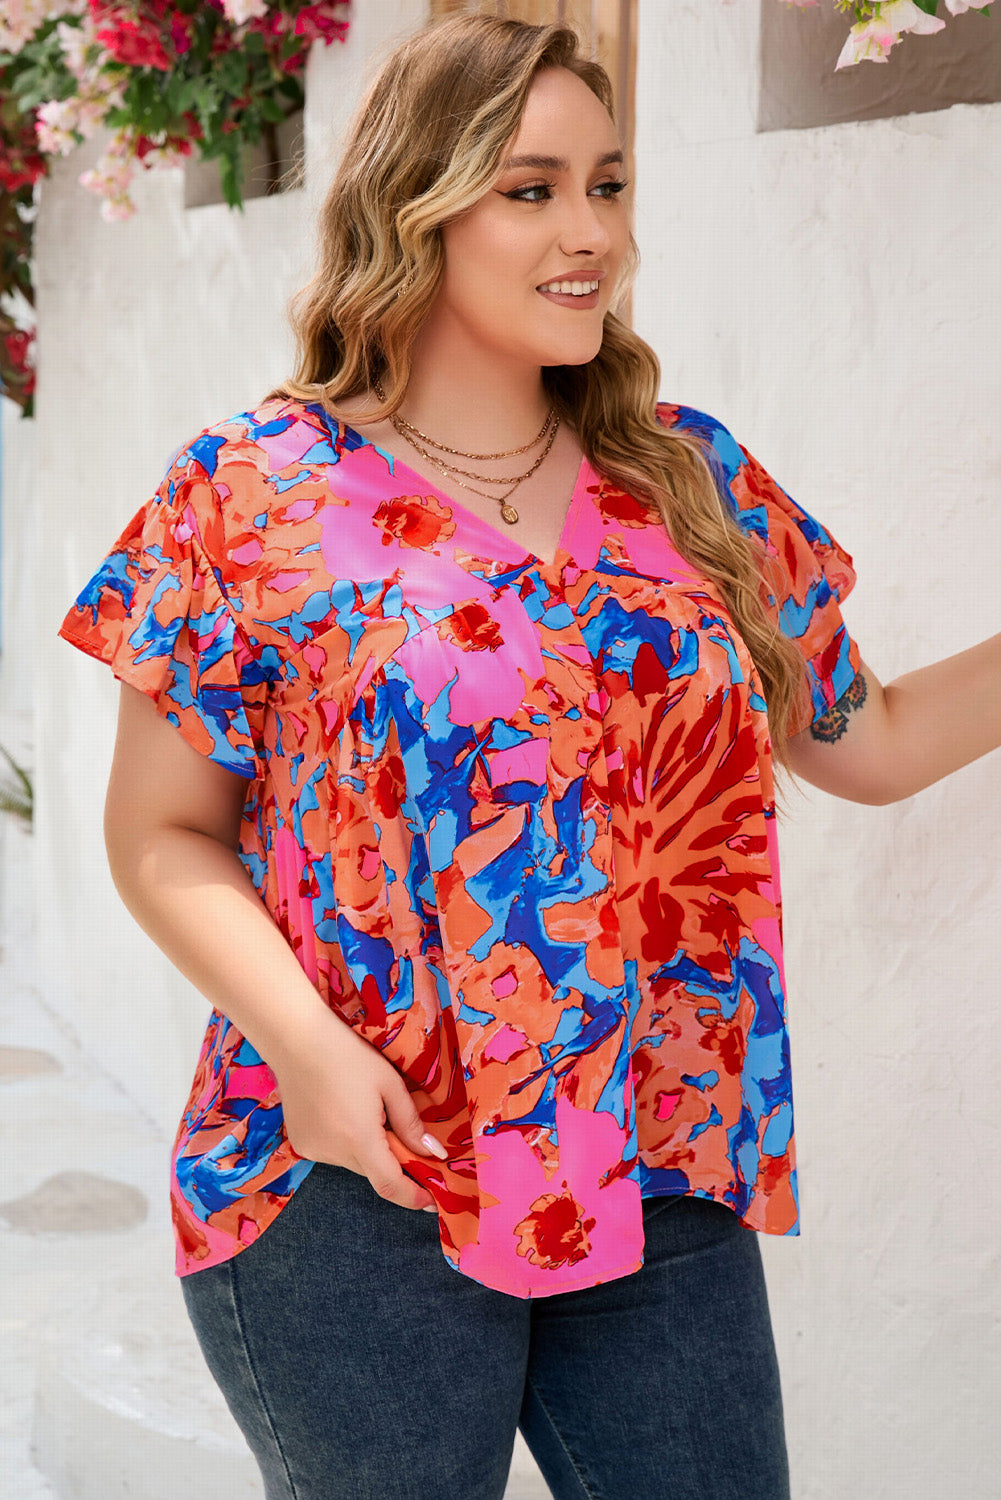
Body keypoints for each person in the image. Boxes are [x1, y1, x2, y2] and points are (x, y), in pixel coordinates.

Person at [58, 13, 1000, 1500]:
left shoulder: (685, 476)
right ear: (416, 207)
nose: (591, 235)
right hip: (360, 1177)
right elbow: (160, 836)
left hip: (656, 1160)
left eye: (609, 185)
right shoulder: (249, 494)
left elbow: (866, 739)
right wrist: (307, 1053)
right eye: (532, 189)